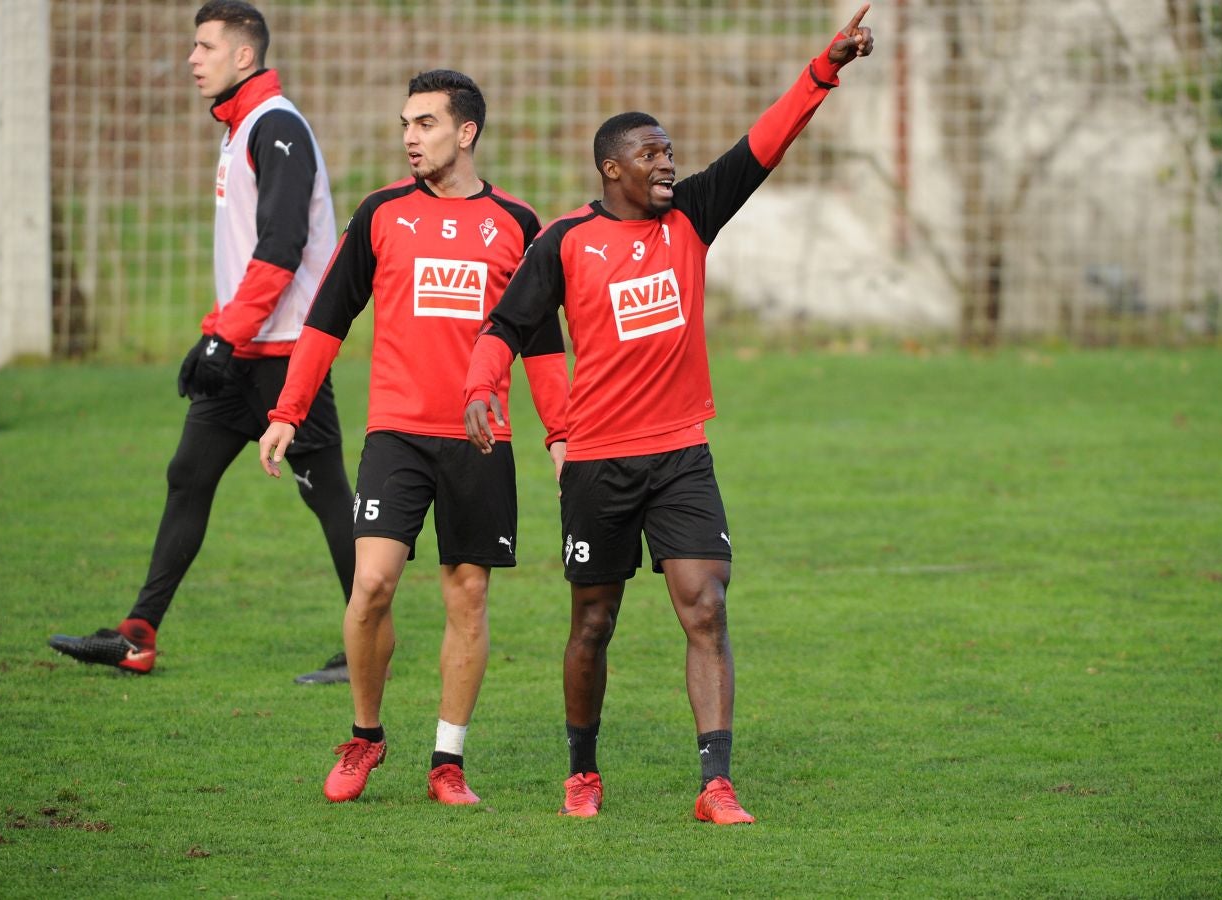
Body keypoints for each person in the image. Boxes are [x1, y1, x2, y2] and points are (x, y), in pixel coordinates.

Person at [463, 6, 874, 824]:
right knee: (594, 620)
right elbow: (507, 324)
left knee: (706, 604)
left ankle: (714, 784)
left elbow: (763, 145)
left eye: (669, 152)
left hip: (681, 452)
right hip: (597, 461)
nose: (666, 163)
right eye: (650, 154)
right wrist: (481, 390)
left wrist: (822, 69)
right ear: (612, 169)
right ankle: (582, 770)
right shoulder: (565, 241)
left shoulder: (690, 215)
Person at [259, 69, 568, 805]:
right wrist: (287, 410)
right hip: (395, 431)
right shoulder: (380, 215)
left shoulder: (518, 225)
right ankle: (365, 737)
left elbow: (543, 346)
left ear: (466, 133)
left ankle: (446, 761)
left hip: (481, 438)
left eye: (425, 124)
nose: (409, 138)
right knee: (371, 585)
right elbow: (328, 317)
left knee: (467, 596)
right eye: (405, 123)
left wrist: (562, 438)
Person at [46, 0, 356, 685]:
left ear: (243, 56)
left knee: (326, 492)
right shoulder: (241, 125)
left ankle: (368, 645)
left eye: (204, 46)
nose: (192, 59)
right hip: (245, 347)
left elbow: (282, 247)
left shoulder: (276, 126)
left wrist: (229, 337)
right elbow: (247, 251)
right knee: (187, 477)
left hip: (285, 357)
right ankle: (138, 634)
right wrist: (215, 333)